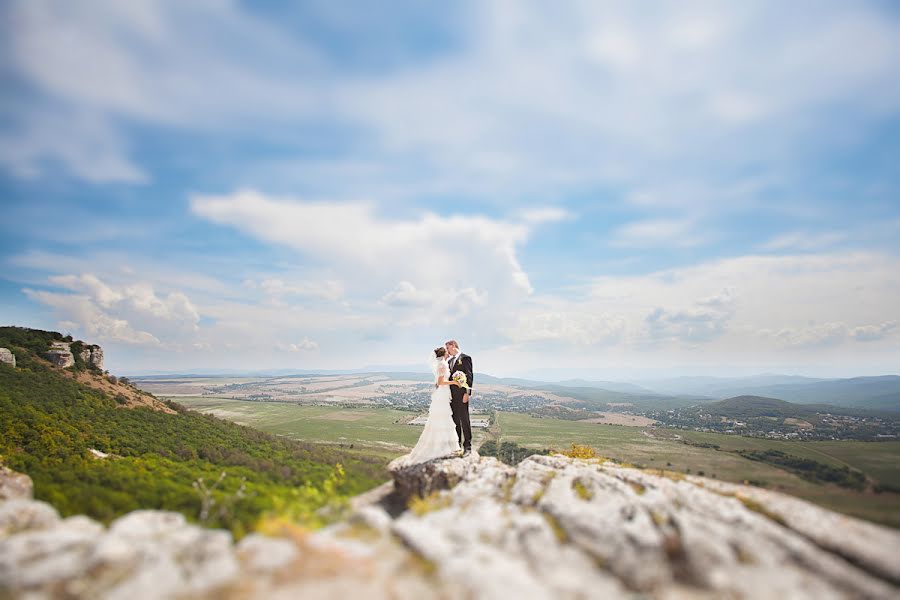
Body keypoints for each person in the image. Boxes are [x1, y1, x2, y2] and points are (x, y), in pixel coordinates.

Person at [403, 346, 462, 464]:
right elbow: (440, 382)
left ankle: (445, 446)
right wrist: (454, 382)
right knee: (443, 417)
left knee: (443, 417)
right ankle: (442, 448)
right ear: (444, 353)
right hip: (442, 393)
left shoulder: (443, 363)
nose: (448, 352)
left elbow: (437, 382)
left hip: (443, 393)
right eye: (446, 351)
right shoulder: (442, 365)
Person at [445, 339, 474, 456]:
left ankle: (468, 446)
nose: (447, 351)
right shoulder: (449, 361)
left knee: (464, 420)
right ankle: (457, 445)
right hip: (451, 396)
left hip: (462, 395)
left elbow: (470, 376)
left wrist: (467, 393)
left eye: (447, 348)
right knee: (455, 420)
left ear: (453, 346)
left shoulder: (465, 358)